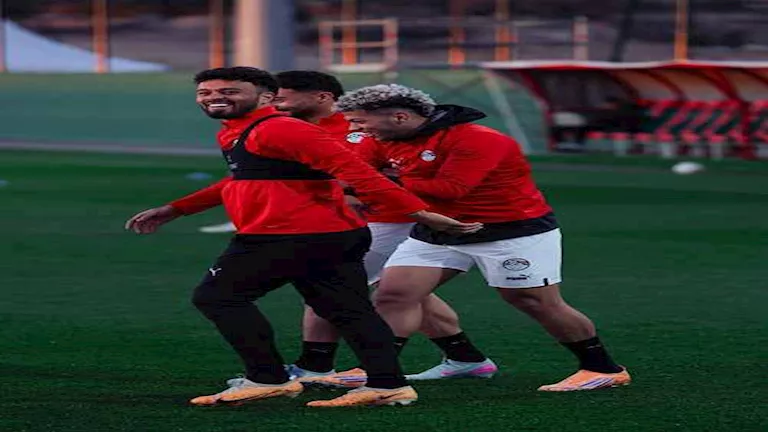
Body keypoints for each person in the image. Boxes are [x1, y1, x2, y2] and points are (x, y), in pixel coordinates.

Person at [124, 67, 482, 408]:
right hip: (318, 233)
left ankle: (268, 379)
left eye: (230, 91)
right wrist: (177, 209)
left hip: (291, 235)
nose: (215, 97)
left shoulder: (280, 129)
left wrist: (419, 214)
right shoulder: (241, 130)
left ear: (266, 97)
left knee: (218, 297)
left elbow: (357, 172)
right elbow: (244, 179)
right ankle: (387, 386)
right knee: (348, 310)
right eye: (205, 92)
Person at [309, 84, 631, 392]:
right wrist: (370, 183)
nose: (357, 129)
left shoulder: (480, 139)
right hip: (439, 230)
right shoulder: (380, 139)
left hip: (509, 230)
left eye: (360, 121)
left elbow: (451, 189)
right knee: (394, 294)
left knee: (533, 301)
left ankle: (602, 369)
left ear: (400, 117)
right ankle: (379, 372)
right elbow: (356, 176)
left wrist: (384, 182)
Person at [272, 70, 498, 384]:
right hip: (364, 219)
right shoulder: (298, 127)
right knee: (405, 293)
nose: (275, 104)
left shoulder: (367, 127)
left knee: (327, 286)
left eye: (281, 97)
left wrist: (356, 191)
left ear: (321, 97)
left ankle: (315, 367)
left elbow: (369, 178)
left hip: (390, 220)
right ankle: (466, 358)